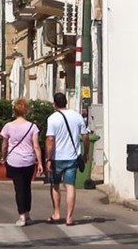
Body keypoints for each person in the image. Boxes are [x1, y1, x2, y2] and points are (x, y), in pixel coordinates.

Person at [43, 93, 90, 227]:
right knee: (70, 186)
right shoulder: (77, 116)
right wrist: (86, 153)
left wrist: (48, 158)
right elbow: (85, 136)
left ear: (55, 104)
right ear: (66, 102)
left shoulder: (52, 118)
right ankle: (69, 217)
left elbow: (50, 139)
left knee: (55, 185)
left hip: (57, 157)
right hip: (72, 157)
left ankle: (56, 213)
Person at [0, 98, 46, 227]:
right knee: (27, 187)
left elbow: (4, 145)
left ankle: (22, 215)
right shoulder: (32, 126)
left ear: (15, 111)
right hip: (29, 161)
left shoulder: (8, 126)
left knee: (18, 188)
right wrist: (40, 162)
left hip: (14, 160)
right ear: (26, 111)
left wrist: (3, 157)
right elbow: (36, 146)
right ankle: (28, 214)